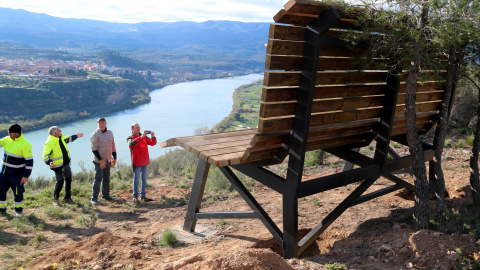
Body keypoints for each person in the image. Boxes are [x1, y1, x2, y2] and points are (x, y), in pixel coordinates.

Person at [43, 126, 83, 206]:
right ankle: (55, 200)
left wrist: (76, 136)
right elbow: (45, 155)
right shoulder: (49, 142)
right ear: (55, 133)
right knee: (60, 182)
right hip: (58, 166)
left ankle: (67, 197)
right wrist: (49, 162)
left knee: (68, 180)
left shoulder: (60, 138)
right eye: (58, 130)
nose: (61, 130)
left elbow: (68, 138)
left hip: (66, 163)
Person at [0, 124, 33, 216]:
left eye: (10, 132)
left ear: (16, 133)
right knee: (0, 191)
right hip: (3, 174)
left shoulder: (25, 144)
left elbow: (29, 162)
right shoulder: (7, 139)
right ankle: (1, 210)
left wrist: (26, 176)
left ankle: (18, 212)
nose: (8, 134)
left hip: (17, 176)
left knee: (18, 194)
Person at [127, 123, 157, 203]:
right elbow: (131, 144)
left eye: (139, 127)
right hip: (137, 163)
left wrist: (153, 137)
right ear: (132, 129)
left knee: (144, 179)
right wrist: (141, 137)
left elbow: (152, 143)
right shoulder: (130, 138)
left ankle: (143, 196)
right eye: (136, 128)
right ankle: (135, 197)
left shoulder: (144, 137)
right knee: (136, 180)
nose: (138, 129)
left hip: (145, 162)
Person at [89, 117, 116, 205]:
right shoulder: (94, 135)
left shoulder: (110, 133)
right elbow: (94, 149)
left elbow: (113, 145)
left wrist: (114, 157)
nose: (101, 125)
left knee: (107, 178)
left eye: (103, 123)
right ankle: (94, 198)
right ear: (97, 125)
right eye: (100, 123)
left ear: (106, 123)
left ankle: (105, 195)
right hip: (98, 161)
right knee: (98, 179)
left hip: (108, 159)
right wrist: (101, 160)